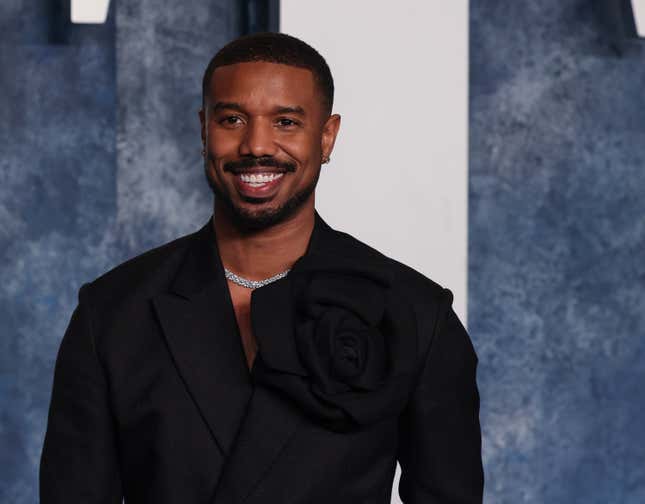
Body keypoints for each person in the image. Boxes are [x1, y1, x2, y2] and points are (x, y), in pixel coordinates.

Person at [40, 32, 484, 503]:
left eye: (286, 122)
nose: (256, 145)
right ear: (203, 130)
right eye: (232, 119)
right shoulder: (112, 312)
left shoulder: (416, 314)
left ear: (327, 136)